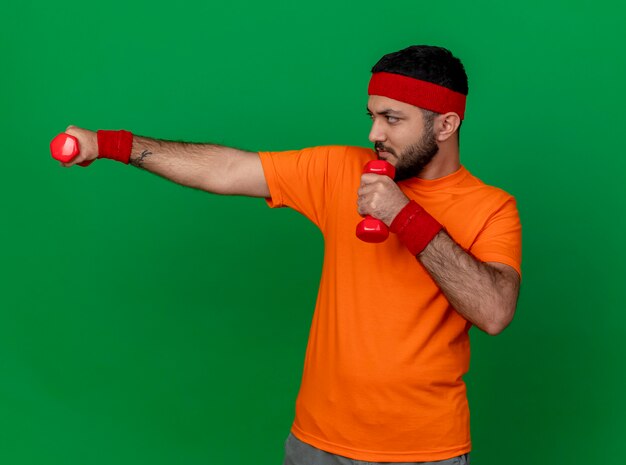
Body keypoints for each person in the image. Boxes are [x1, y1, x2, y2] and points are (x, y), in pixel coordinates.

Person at [58, 45, 521, 465]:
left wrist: (403, 215)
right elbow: (226, 169)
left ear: (446, 124)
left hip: (425, 451)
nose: (373, 132)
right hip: (317, 445)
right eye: (372, 115)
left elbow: (494, 311)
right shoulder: (342, 169)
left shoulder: (492, 208)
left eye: (392, 119)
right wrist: (108, 145)